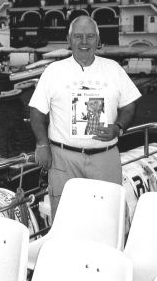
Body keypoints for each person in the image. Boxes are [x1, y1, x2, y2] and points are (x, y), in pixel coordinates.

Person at [29, 15, 141, 219]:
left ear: (98, 41)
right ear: (69, 40)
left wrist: (119, 128)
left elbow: (130, 105)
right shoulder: (53, 71)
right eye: (78, 36)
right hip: (64, 160)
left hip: (105, 158)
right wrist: (42, 145)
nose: (84, 42)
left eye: (90, 36)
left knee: (108, 218)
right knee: (65, 219)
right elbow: (36, 112)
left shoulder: (113, 69)